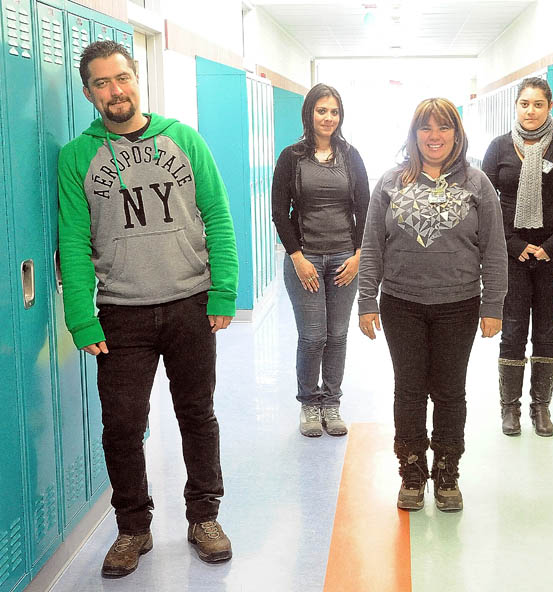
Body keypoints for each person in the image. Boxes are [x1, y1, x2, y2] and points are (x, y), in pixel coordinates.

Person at [57, 41, 238, 577]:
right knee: (121, 424)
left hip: (189, 302)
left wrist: (223, 289)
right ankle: (133, 528)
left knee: (197, 416)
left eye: (123, 78)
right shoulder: (76, 158)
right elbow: (73, 242)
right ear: (89, 94)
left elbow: (219, 217)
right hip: (121, 312)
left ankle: (204, 517)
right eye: (102, 83)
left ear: (138, 78)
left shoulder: (184, 139)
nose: (116, 91)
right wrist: (80, 316)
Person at [358, 98, 507, 512]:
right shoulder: (390, 182)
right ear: (414, 134)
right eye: (426, 128)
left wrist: (493, 305)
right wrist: (366, 299)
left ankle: (446, 471)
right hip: (400, 303)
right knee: (408, 390)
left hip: (458, 304)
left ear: (457, 135)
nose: (434, 136)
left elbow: (494, 250)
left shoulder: (477, 184)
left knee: (448, 391)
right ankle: (410, 470)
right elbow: (372, 246)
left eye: (443, 128)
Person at [482, 77, 553, 437]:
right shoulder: (498, 148)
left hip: (552, 255)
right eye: (524, 103)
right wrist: (512, 244)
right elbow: (485, 206)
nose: (530, 110)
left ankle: (541, 408)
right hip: (511, 254)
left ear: (550, 107)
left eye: (538, 104)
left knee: (546, 333)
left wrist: (551, 246)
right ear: (516, 106)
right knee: (511, 332)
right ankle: (509, 410)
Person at [271, 83, 370, 438]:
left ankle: (332, 402)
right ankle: (309, 404)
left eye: (334, 111)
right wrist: (297, 257)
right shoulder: (292, 157)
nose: (328, 118)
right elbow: (279, 212)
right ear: (309, 113)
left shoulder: (350, 155)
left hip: (344, 258)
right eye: (321, 110)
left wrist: (359, 256)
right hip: (306, 259)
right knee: (313, 337)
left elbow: (365, 208)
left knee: (338, 335)